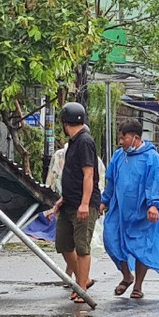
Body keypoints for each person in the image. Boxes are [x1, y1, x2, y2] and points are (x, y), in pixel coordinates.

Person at [100, 118, 159, 299]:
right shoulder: (118, 156)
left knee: (141, 247)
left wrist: (154, 205)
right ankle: (126, 276)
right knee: (110, 239)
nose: (121, 142)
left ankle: (137, 286)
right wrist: (104, 201)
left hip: (141, 211)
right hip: (119, 209)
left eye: (124, 138)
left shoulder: (152, 158)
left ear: (135, 137)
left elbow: (154, 183)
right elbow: (111, 182)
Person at [51, 102, 100, 303]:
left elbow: (89, 175)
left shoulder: (84, 142)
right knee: (63, 244)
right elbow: (71, 176)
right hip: (69, 203)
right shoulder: (73, 142)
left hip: (83, 204)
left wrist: (84, 204)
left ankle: (81, 289)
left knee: (82, 247)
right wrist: (63, 199)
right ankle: (84, 279)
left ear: (64, 123)